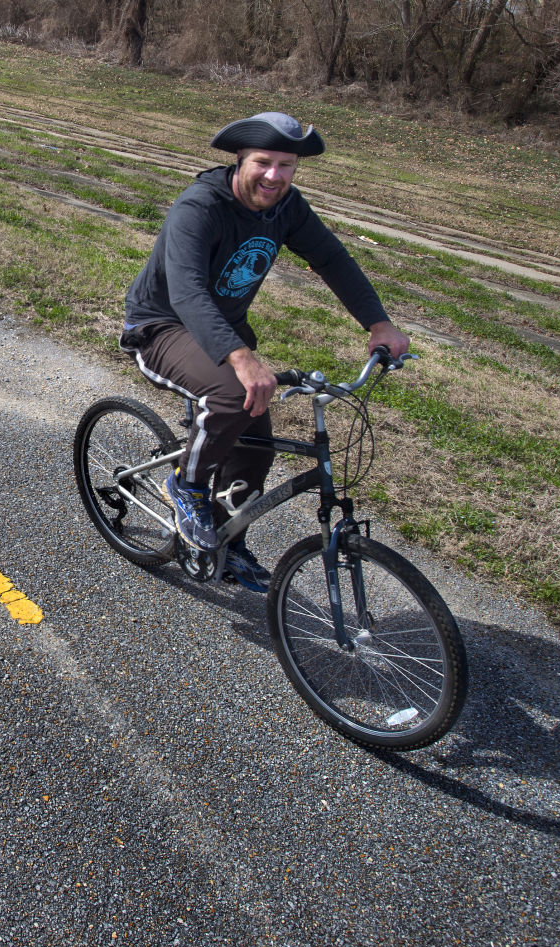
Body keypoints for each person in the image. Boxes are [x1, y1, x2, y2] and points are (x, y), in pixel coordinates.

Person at [120, 111, 411, 590]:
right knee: (234, 397)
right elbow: (188, 293)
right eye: (264, 162)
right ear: (240, 160)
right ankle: (187, 486)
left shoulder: (287, 207)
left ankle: (229, 542)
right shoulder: (200, 206)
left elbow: (332, 259)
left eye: (287, 165)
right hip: (161, 326)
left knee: (254, 445)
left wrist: (378, 323)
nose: (275, 176)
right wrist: (242, 358)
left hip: (224, 331)